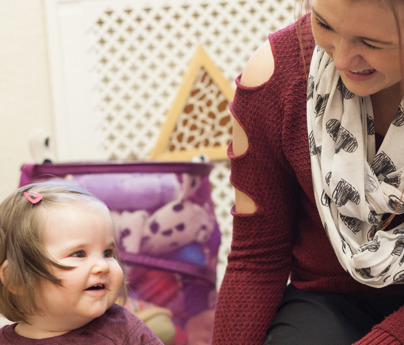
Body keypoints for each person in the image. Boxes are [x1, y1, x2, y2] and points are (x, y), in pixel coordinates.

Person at [212, 0, 404, 344]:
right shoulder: (277, 74)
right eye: (325, 25)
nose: (341, 59)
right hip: (329, 298)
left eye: (371, 43)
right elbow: (257, 256)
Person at [0, 182, 163, 344]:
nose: (103, 266)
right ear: (17, 278)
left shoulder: (123, 329)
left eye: (107, 253)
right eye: (78, 254)